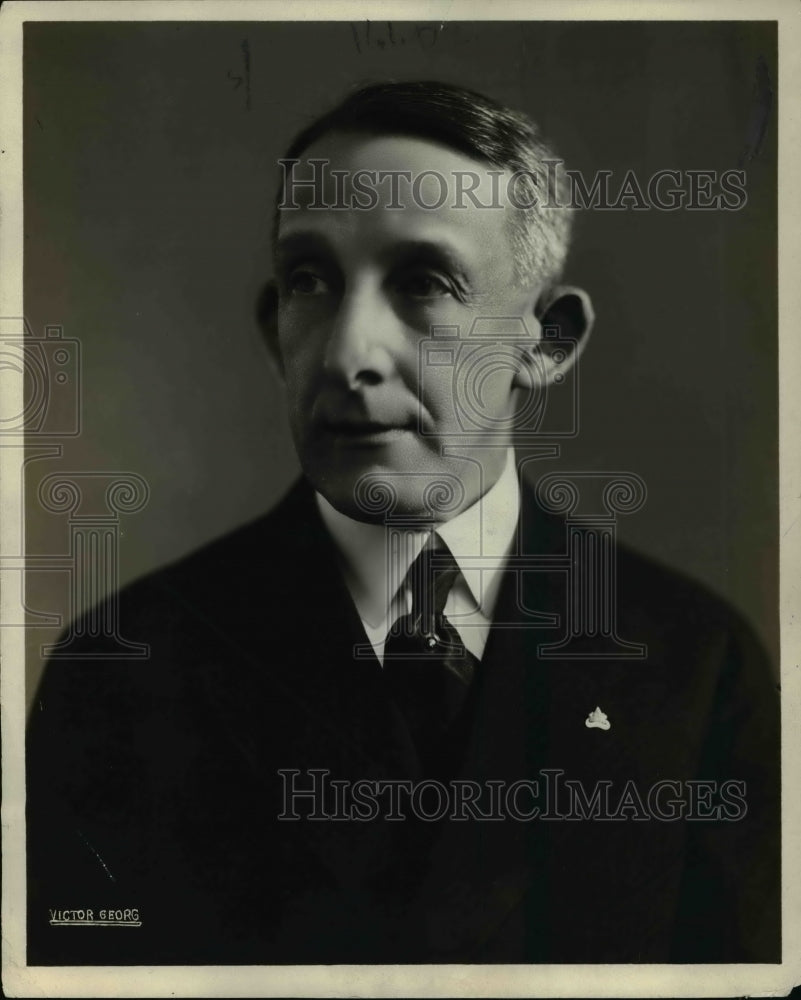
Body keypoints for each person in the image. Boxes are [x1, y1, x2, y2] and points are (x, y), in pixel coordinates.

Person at [26, 81, 779, 966]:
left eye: (423, 282)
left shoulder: (693, 667)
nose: (347, 354)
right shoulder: (124, 670)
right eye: (310, 281)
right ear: (276, 332)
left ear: (544, 341)